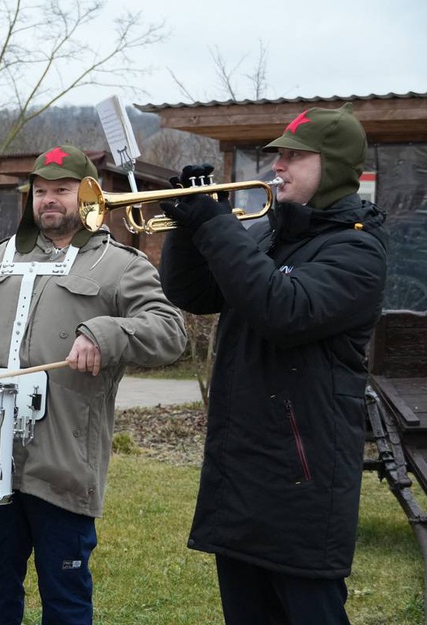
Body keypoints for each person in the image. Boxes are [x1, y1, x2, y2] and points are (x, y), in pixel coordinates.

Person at [0, 145, 187, 624]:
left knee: (64, 595)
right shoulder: (4, 255)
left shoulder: (120, 264)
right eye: (40, 191)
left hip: (63, 463)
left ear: (89, 197)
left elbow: (169, 330)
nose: (48, 200)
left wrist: (105, 333)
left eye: (62, 191)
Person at [158, 104, 388, 624]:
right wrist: (190, 225)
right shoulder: (266, 233)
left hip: (303, 483)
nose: (277, 166)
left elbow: (282, 310)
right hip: (241, 474)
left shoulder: (357, 250)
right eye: (276, 156)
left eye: (292, 156)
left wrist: (215, 226)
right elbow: (192, 291)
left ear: (330, 167)